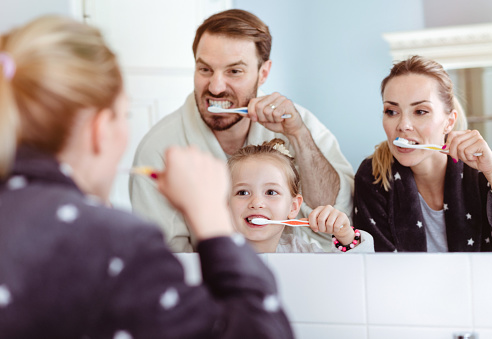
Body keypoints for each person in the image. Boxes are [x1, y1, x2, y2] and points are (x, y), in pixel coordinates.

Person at [0, 16, 294, 338]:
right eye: (124, 116)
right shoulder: (115, 243)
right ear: (100, 130)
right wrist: (213, 220)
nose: (216, 85)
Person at [130, 9, 354, 252]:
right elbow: (167, 257)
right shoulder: (159, 150)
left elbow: (337, 211)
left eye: (234, 71)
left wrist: (298, 136)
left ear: (263, 73)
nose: (215, 88)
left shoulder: (300, 124)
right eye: (205, 70)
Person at [353, 55, 492, 252]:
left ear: (449, 122)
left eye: (420, 111)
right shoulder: (373, 177)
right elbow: (375, 266)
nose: (403, 125)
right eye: (392, 111)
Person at [228, 138, 373, 253]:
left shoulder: (302, 253)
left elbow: (354, 275)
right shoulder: (208, 257)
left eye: (271, 192)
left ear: (293, 207)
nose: (257, 202)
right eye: (243, 192)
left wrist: (346, 237)